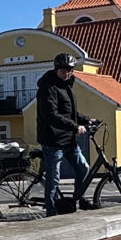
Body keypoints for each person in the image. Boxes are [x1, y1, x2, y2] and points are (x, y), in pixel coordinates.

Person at [36, 52, 90, 217]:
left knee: (83, 168)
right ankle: (51, 211)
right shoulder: (48, 88)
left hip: (68, 140)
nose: (66, 73)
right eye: (63, 70)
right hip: (53, 140)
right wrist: (75, 127)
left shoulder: (66, 86)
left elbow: (69, 113)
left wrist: (88, 120)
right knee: (54, 178)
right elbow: (51, 115)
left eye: (69, 70)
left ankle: (77, 200)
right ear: (56, 69)